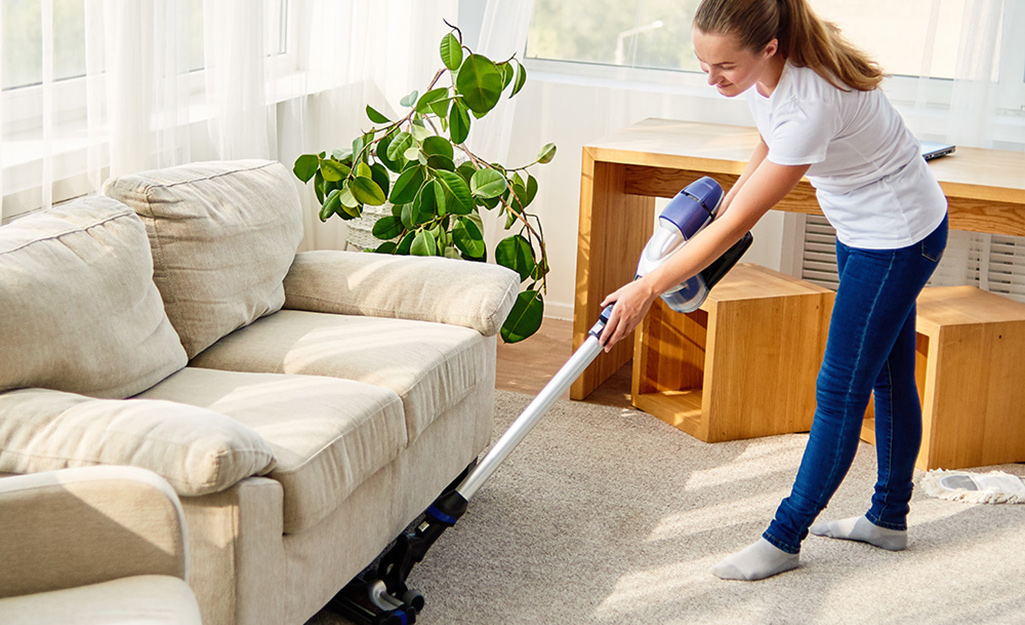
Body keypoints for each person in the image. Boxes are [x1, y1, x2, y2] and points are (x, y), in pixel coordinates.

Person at [598, 0, 949, 581]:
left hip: (896, 238)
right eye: (703, 65)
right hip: (868, 228)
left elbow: (739, 227)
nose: (712, 80)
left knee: (839, 391)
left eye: (725, 68)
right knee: (887, 374)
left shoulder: (812, 100)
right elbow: (762, 150)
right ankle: (889, 518)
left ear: (768, 46)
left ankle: (784, 538)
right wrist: (711, 223)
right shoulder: (772, 73)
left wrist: (645, 286)